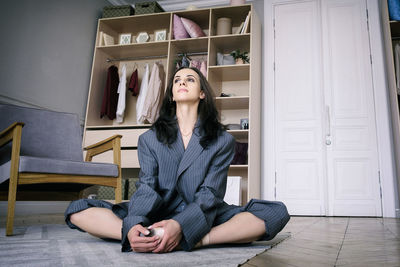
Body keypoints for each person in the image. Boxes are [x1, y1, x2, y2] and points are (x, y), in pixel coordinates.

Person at [65, 67, 290, 253]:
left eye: (190, 79)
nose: (182, 82)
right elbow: (147, 187)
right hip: (156, 212)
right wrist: (133, 225)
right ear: (172, 94)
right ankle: (140, 236)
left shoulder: (222, 140)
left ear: (202, 93)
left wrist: (182, 225)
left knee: (275, 213)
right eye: (177, 80)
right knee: (78, 210)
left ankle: (197, 239)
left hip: (202, 213)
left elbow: (210, 194)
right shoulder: (149, 139)